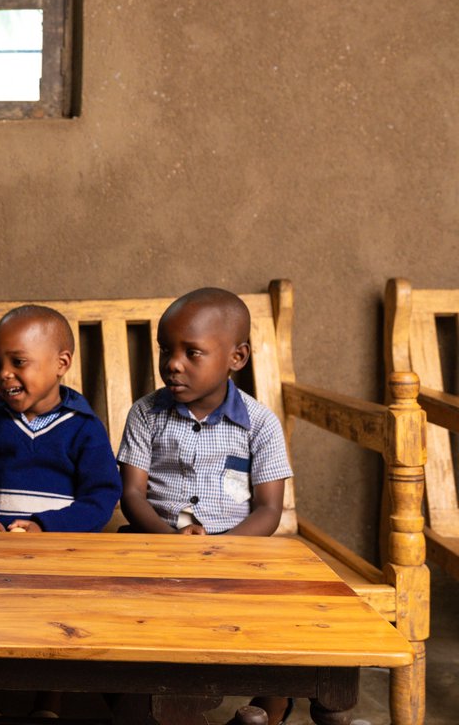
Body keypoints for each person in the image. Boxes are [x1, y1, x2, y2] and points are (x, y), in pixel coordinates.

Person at [116, 287, 295, 725]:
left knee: (281, 605)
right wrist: (172, 543)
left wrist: (218, 548)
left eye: (192, 352)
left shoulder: (260, 424)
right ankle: (146, 707)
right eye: (165, 350)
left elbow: (269, 510)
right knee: (120, 601)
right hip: (155, 541)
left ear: (237, 358)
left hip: (237, 548)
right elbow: (132, 495)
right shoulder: (146, 414)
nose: (172, 364)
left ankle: (268, 709)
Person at [0, 305, 121, 718]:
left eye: (18, 362)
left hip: (58, 554)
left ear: (61, 364)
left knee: (60, 617)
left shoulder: (83, 426)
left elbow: (101, 496)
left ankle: (49, 702)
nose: (4, 373)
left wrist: (48, 528)